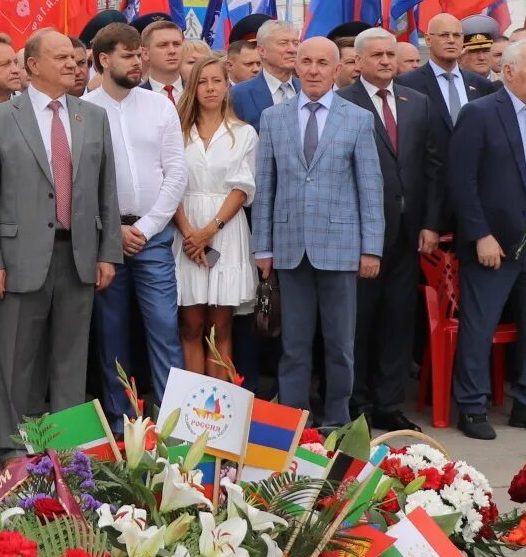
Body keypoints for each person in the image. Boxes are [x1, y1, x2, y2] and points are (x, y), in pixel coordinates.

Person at [0, 30, 120, 460]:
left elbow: (106, 190)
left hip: (78, 255)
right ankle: (16, 445)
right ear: (33, 65)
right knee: (17, 357)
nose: (74, 64)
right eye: (61, 58)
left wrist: (107, 251)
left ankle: (67, 447)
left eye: (76, 59)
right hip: (18, 257)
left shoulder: (91, 117)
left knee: (71, 358)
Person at [252, 37, 385, 426]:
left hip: (342, 248)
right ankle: (292, 421)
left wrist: (371, 249)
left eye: (322, 63)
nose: (313, 70)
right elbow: (266, 186)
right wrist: (263, 247)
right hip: (290, 247)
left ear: (337, 69)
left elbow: (370, 188)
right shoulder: (274, 118)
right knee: (293, 345)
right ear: (296, 66)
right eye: (306, 62)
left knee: (340, 345)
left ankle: (338, 420)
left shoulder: (357, 118)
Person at [448, 41, 526, 439]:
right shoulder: (479, 114)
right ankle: (471, 407)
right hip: (495, 243)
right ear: (508, 72)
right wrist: (481, 235)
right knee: (479, 326)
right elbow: (461, 182)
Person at [85, 23, 188, 429]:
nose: (138, 62)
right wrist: (114, 231)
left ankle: (173, 423)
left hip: (154, 237)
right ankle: (121, 423)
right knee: (112, 336)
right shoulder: (85, 110)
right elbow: (83, 182)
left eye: (139, 54)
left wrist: (145, 227)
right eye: (129, 56)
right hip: (106, 239)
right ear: (105, 60)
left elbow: (176, 173)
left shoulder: (159, 106)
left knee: (164, 328)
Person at [341, 27, 443, 432]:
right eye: (378, 55)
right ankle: (357, 402)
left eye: (390, 54)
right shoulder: (343, 102)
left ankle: (388, 404)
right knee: (358, 323)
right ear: (359, 61)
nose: (386, 61)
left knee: (398, 322)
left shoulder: (416, 102)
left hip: (407, 233)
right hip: (359, 236)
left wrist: (431, 224)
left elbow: (433, 167)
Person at [172, 58, 258, 377]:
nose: (210, 88)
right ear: (193, 88)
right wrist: (190, 233)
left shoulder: (244, 133)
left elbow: (243, 187)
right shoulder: (177, 132)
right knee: (191, 325)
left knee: (221, 327)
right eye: (203, 81)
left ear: (227, 86)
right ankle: (192, 408)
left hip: (227, 230)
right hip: (185, 229)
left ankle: (219, 416)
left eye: (217, 81)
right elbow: (170, 184)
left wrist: (209, 231)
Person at [399, 13, 496, 129]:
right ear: (428, 40)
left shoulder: (481, 85)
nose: (451, 40)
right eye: (444, 35)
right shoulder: (406, 84)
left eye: (456, 35)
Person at [231, 19, 300, 127]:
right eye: (283, 43)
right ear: (262, 51)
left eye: (296, 43)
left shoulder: (307, 90)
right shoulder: (239, 94)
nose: (292, 49)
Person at [139, 18, 187, 103]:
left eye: (176, 44)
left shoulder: (198, 93)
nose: (172, 51)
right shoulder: (134, 97)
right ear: (145, 53)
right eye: (163, 45)